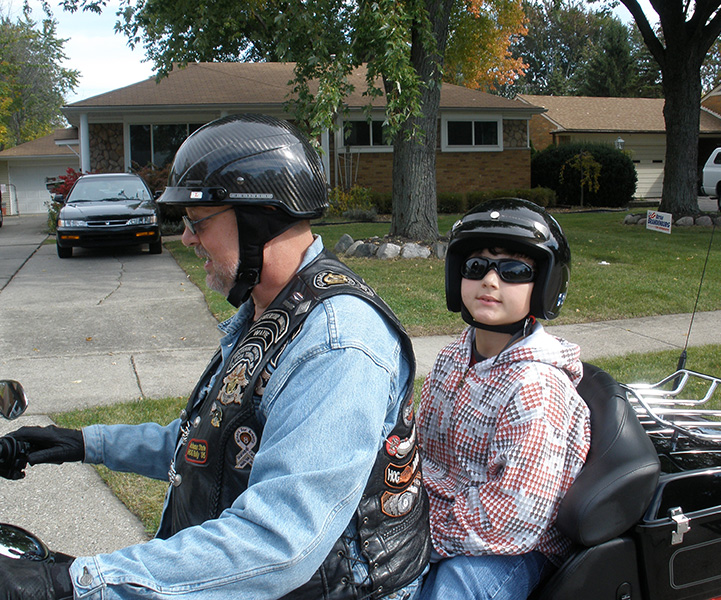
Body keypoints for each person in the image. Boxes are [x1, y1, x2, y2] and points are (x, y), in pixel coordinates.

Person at [1, 114, 430, 600]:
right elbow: (210, 447)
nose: (185, 238)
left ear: (260, 218)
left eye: (196, 221)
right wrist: (82, 443)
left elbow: (277, 543)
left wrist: (68, 585)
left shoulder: (338, 344)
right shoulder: (271, 310)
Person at [417, 199, 591, 600]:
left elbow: (514, 516)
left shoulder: (536, 386)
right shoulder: (452, 357)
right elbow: (423, 450)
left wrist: (419, 538)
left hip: (520, 546)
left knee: (452, 589)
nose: (490, 282)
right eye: (476, 267)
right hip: (444, 514)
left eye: (514, 271)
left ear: (545, 285)